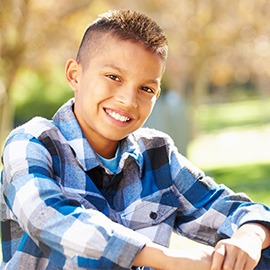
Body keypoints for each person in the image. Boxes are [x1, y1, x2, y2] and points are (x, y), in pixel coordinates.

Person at [1, 9, 270, 270]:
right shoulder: (32, 142)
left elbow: (229, 209)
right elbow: (44, 215)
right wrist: (168, 260)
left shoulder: (157, 153)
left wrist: (251, 236)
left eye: (146, 88)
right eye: (113, 77)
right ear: (75, 74)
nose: (128, 101)